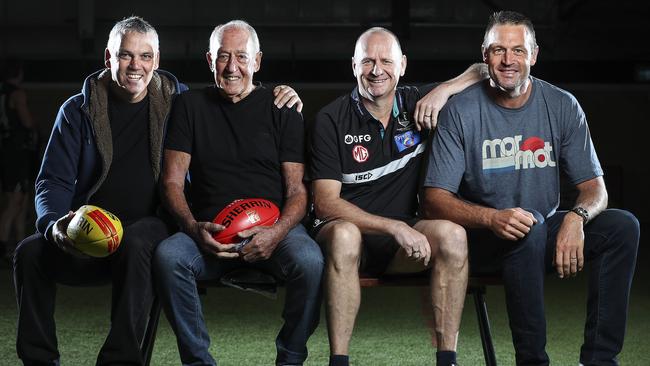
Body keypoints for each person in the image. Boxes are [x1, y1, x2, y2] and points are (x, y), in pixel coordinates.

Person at [11, 16, 303, 366]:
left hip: (149, 224)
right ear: (108, 57)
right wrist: (55, 226)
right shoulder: (77, 110)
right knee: (29, 253)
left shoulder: (176, 102)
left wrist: (279, 91)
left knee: (140, 241)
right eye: (126, 56)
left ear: (157, 61)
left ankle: (120, 360)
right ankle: (40, 360)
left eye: (145, 56)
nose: (136, 65)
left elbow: (233, 87)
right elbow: (51, 183)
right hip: (90, 231)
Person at [422, 11, 639, 366]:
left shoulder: (562, 105)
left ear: (534, 55)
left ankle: (599, 359)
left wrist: (576, 219)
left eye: (518, 51)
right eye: (498, 51)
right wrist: (492, 218)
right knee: (532, 225)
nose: (509, 60)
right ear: (484, 54)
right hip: (484, 238)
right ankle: (532, 361)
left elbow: (594, 189)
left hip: (543, 228)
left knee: (622, 227)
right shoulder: (460, 110)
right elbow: (433, 200)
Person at [308, 27, 487, 366]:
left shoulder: (415, 103)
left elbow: (482, 70)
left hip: (400, 243)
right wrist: (394, 227)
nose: (377, 70)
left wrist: (443, 91)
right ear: (354, 66)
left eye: (386, 61)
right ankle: (339, 361)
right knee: (345, 234)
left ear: (402, 65)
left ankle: (447, 359)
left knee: (453, 235)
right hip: (345, 238)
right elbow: (326, 204)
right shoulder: (330, 120)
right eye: (368, 62)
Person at [153, 20, 323, 366]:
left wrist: (276, 233)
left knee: (310, 261)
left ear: (257, 61)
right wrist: (192, 227)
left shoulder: (283, 109)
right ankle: (198, 361)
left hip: (273, 229)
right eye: (223, 57)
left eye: (242, 57)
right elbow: (171, 182)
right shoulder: (188, 106)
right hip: (210, 232)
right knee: (169, 257)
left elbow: (297, 191)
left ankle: (290, 358)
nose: (232, 67)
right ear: (209, 59)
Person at [0, 59, 37, 263]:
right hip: (16, 151)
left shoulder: (3, 92)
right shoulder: (17, 93)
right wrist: (34, 126)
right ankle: (4, 247)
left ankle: (19, 245)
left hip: (7, 150)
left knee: (19, 200)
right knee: (15, 201)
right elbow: (27, 121)